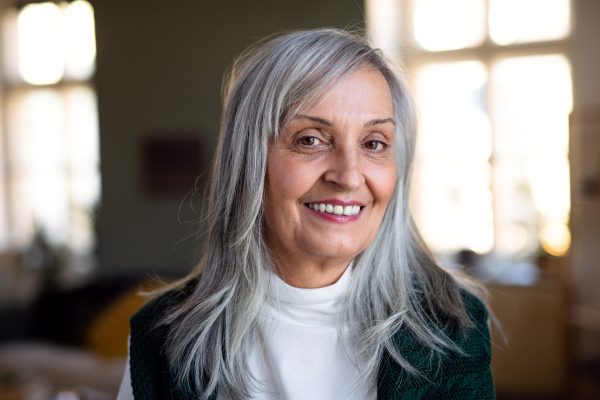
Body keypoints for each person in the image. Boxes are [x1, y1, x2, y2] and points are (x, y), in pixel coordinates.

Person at [117, 28, 495, 400]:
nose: (348, 176)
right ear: (250, 162)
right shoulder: (162, 337)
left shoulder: (453, 325)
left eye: (374, 143)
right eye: (310, 139)